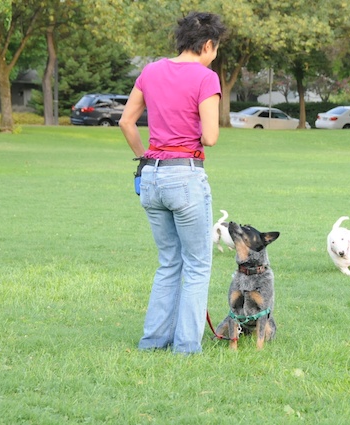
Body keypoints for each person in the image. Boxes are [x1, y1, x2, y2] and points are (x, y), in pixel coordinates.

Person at [119, 12, 227, 355]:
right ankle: (185, 347)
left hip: (151, 176)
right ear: (207, 45)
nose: (214, 55)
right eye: (215, 49)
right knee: (197, 264)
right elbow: (210, 137)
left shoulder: (150, 71)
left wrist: (145, 156)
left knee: (169, 262)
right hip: (185, 175)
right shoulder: (206, 78)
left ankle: (152, 341)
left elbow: (126, 122)